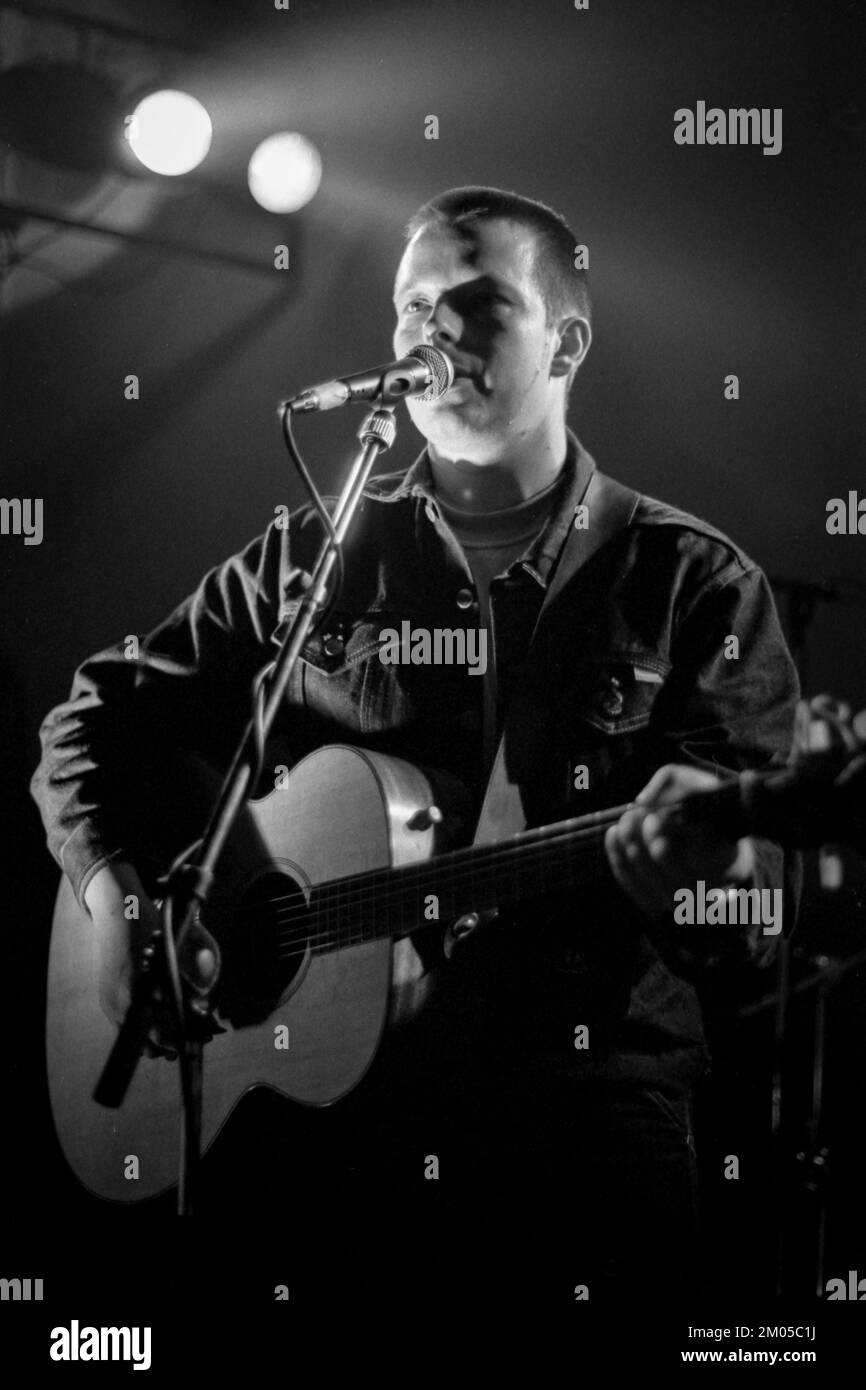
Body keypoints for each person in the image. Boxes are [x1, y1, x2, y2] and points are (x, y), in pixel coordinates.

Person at [31, 186, 799, 1299]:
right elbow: (94, 719)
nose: (427, 329)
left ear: (565, 340)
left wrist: (716, 876)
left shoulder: (690, 583)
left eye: (474, 300)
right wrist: (117, 894)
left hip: (580, 1132)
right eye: (409, 306)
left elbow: (757, 917)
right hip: (333, 1139)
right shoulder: (314, 556)